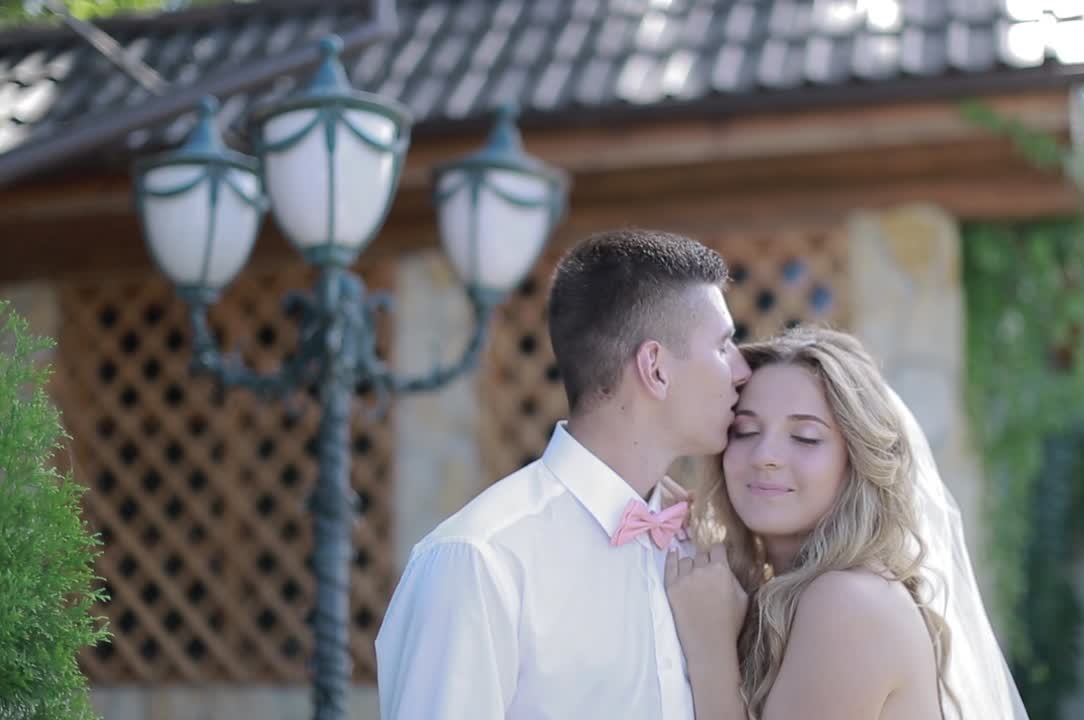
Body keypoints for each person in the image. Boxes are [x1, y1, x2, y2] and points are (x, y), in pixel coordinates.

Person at [375, 228, 751, 719]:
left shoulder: (701, 553)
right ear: (655, 367)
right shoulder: (478, 561)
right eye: (724, 346)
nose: (742, 368)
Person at [665, 327, 1027, 720]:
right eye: (745, 431)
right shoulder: (784, 591)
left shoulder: (849, 601)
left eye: (805, 437)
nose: (765, 455)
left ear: (857, 460)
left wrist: (711, 651)